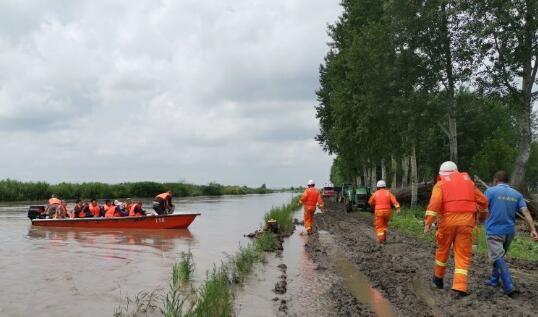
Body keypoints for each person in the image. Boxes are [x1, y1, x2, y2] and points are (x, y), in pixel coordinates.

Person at [424, 161, 488, 298]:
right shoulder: (469, 183)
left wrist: (428, 222)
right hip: (466, 223)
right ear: (457, 172)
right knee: (462, 254)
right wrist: (482, 217)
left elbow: (435, 203)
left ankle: (438, 280)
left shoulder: (440, 184)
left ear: (441, 174)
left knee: (442, 251)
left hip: (446, 223)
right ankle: (460, 287)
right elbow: (483, 201)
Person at [484, 170, 538, 295]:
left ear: (495, 180)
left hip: (494, 230)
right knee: (500, 256)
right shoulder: (517, 194)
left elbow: (482, 208)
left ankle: (508, 285)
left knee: (497, 257)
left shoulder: (490, 191)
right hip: (509, 231)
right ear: (507, 181)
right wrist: (533, 230)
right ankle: (494, 280)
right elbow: (526, 213)